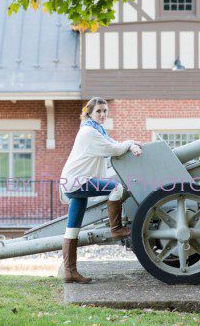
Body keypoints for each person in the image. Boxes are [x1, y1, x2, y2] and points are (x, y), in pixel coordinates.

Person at [57, 97, 142, 283]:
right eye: (99, 111)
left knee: (72, 230)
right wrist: (130, 144)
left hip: (73, 182)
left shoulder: (96, 129)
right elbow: (115, 149)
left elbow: (115, 143)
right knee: (117, 189)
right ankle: (116, 228)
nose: (102, 114)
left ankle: (70, 273)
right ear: (89, 112)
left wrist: (131, 144)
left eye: (105, 111)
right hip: (78, 181)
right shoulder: (89, 132)